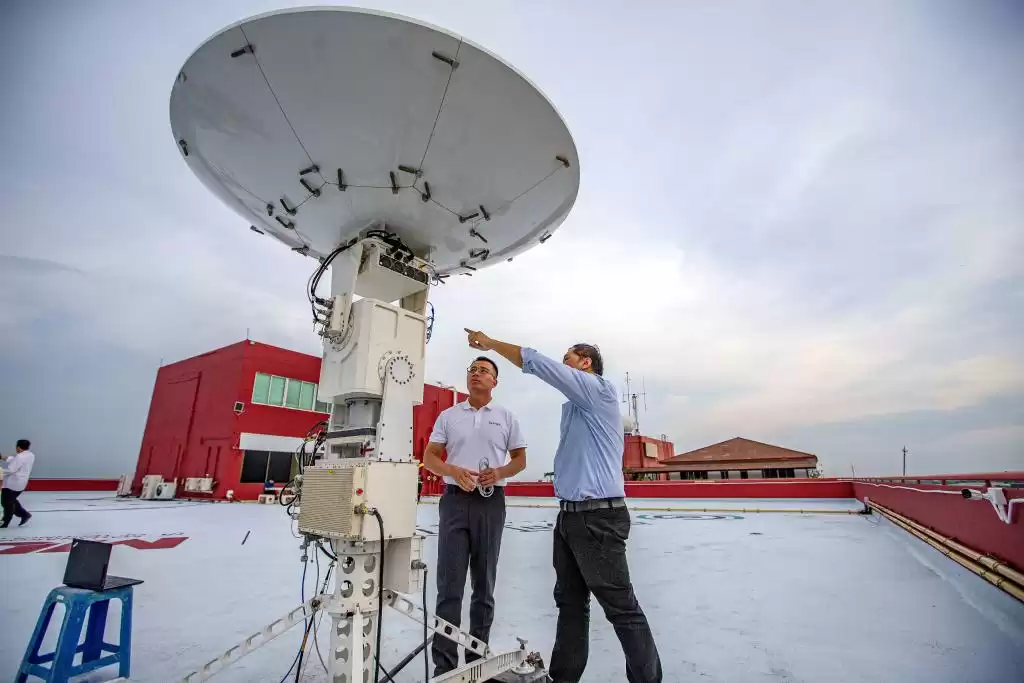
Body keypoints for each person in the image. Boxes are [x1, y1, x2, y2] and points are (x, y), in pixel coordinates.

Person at [464, 329, 663, 683]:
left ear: (585, 363)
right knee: (571, 605)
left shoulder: (598, 390)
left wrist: (491, 343)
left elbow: (537, 363)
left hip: (598, 517)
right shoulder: (574, 407)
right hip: (570, 517)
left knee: (621, 608)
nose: (563, 363)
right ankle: (563, 678)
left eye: (568, 358)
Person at [422, 356, 528, 676]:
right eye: (472, 370)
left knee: (484, 586)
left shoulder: (506, 417)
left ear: (495, 381)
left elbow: (520, 460)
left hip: (490, 503)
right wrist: (451, 469)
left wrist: (498, 473)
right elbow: (430, 457)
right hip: (454, 502)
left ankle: (476, 662)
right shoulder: (449, 416)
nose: (476, 374)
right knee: (449, 588)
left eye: (484, 371)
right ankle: (445, 668)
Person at [1, 439, 36, 528]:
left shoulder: (20, 457)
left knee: (6, 502)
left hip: (12, 484)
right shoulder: (30, 455)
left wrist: (0, 471)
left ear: (18, 447)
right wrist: (2, 457)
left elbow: (11, 470)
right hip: (21, 483)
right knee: (11, 500)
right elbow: (15, 459)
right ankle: (25, 514)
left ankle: (5, 521)